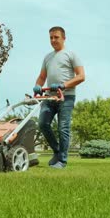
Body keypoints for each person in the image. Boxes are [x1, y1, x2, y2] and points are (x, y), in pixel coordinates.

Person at [33, 26, 85, 169]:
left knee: (63, 128)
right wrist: (37, 86)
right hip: (49, 97)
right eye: (51, 37)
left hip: (66, 97)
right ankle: (57, 151)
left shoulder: (71, 54)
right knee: (43, 124)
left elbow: (81, 76)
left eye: (56, 37)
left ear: (63, 38)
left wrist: (63, 85)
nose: (53, 40)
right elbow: (42, 77)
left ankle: (62, 160)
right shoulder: (47, 57)